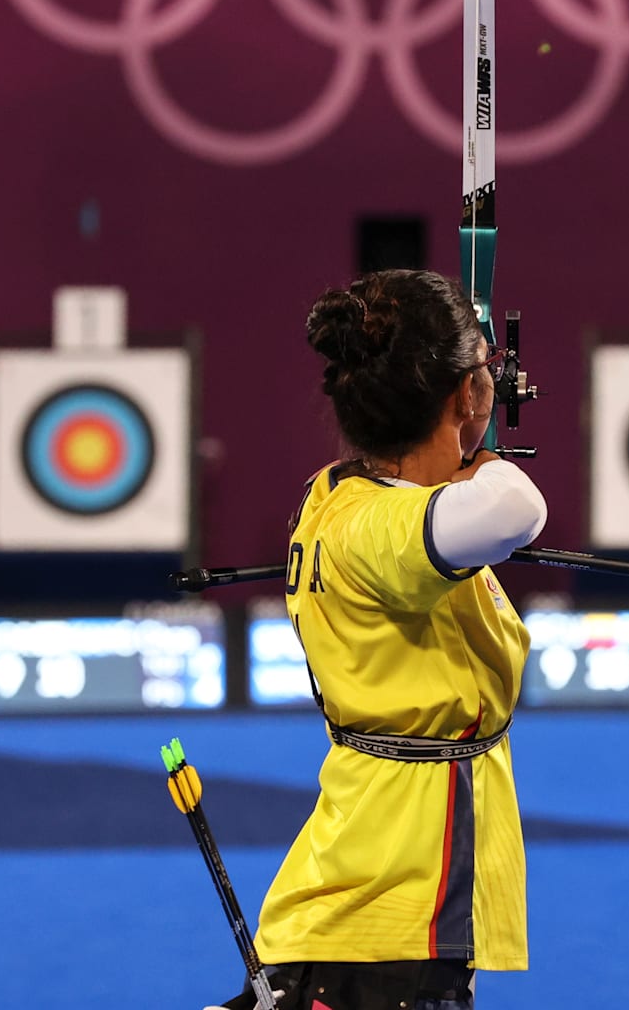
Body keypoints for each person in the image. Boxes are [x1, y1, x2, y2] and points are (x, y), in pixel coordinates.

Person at [211, 269, 547, 1010]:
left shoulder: (343, 495)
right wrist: (481, 442)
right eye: (481, 377)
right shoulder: (382, 530)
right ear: (465, 395)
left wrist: (470, 405)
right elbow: (516, 507)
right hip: (380, 920)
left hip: (369, 910)